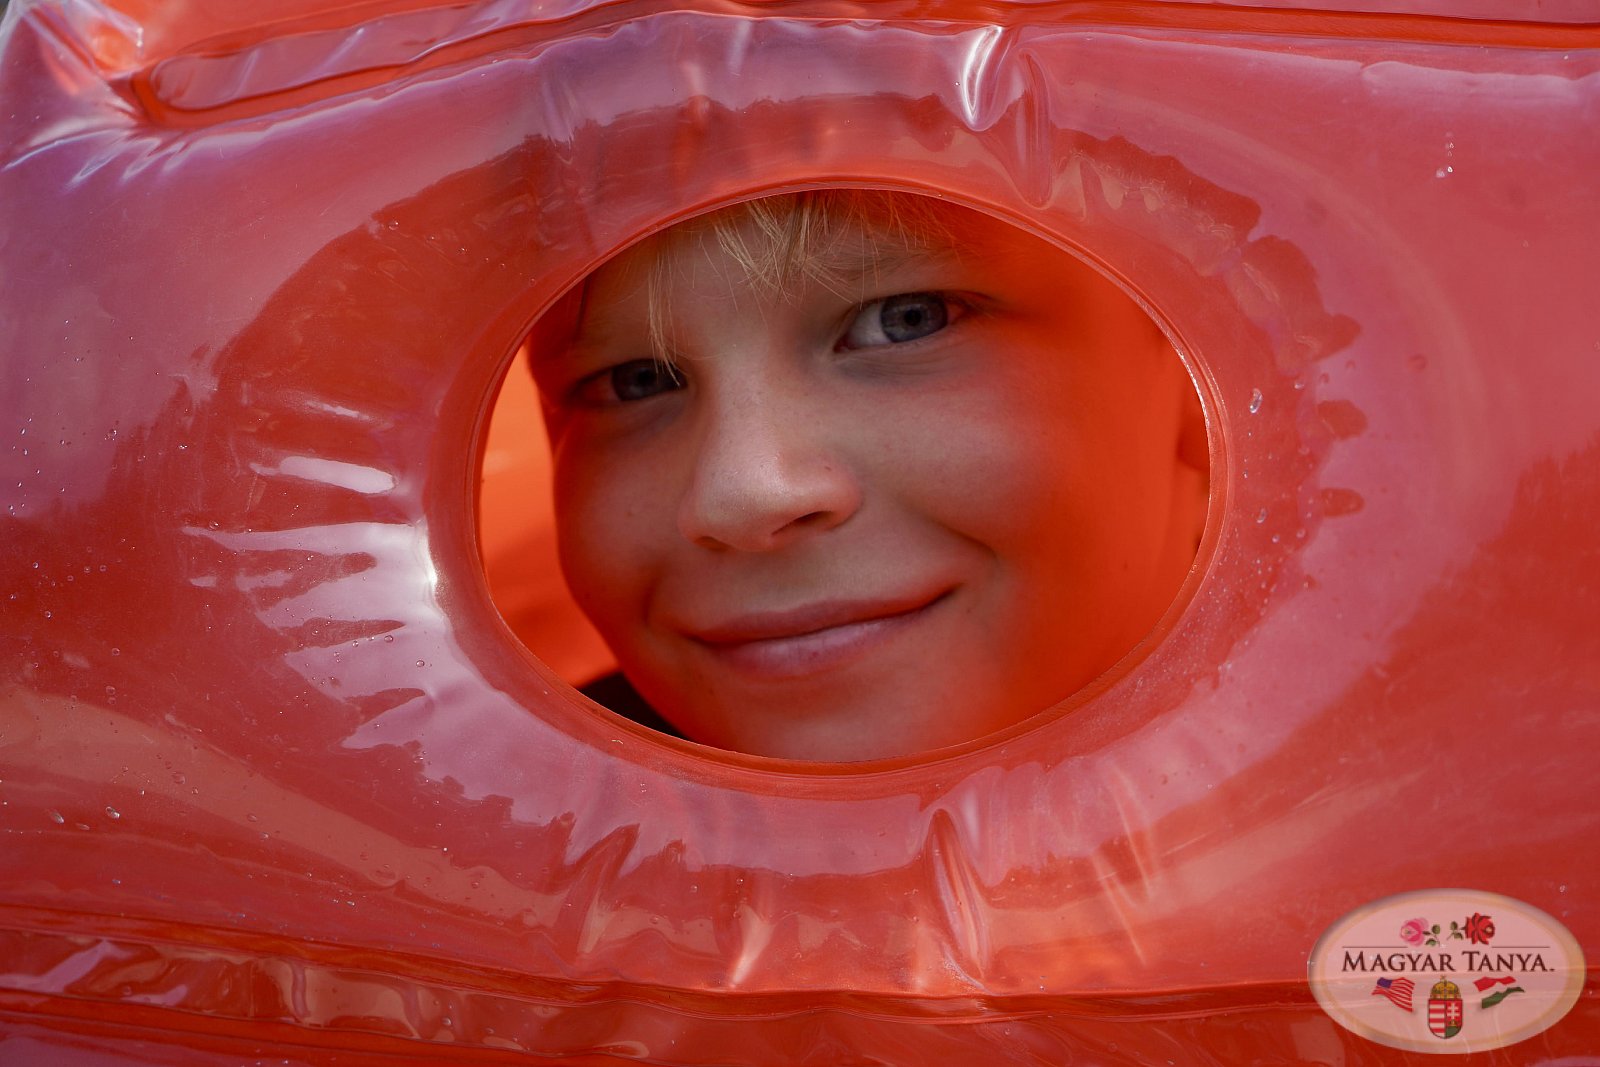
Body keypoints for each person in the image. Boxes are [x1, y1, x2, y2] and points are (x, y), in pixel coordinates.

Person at [528, 190, 1207, 761]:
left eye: (908, 320)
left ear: (1204, 359)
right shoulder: (490, 850)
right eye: (637, 380)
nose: (745, 493)